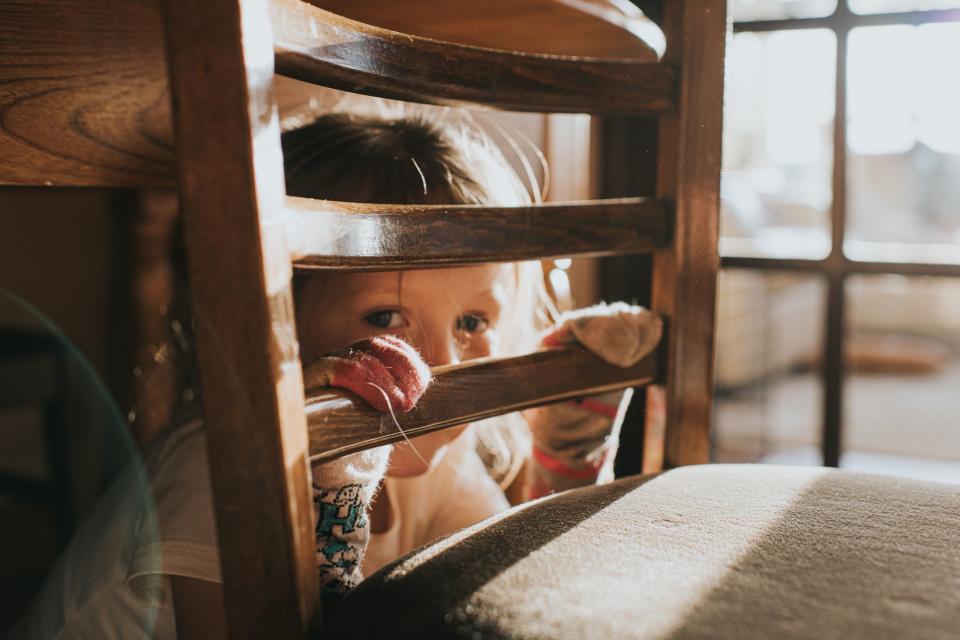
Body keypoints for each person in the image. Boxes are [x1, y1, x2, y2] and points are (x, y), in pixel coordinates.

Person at [12, 112, 659, 640]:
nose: (445, 365)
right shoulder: (219, 473)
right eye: (386, 316)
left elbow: (509, 597)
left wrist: (564, 459)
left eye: (471, 320)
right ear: (275, 324)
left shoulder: (428, 451)